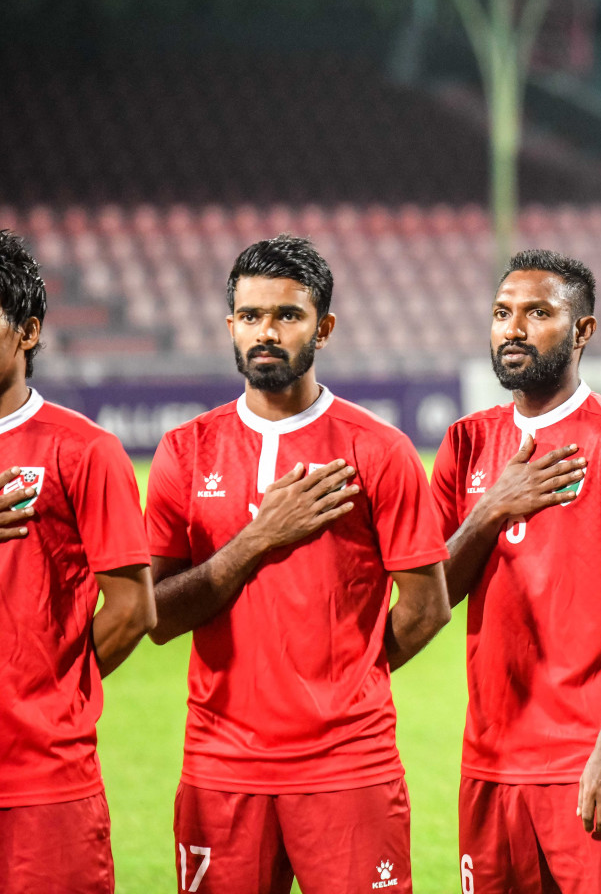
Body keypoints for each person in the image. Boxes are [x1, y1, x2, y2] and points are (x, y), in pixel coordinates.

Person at [145, 234, 451, 894]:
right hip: (220, 765)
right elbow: (157, 617)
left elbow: (428, 607)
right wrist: (256, 541)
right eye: (251, 316)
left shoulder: (380, 451)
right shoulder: (185, 451)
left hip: (349, 765)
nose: (267, 331)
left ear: (324, 327)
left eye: (288, 315)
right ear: (230, 326)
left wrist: (346, 684)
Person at [432, 249, 601, 894]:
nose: (513, 328)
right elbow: (433, 597)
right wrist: (488, 512)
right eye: (501, 313)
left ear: (583, 330)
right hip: (491, 762)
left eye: (538, 313)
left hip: (589, 759)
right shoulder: (464, 442)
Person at [0, 229, 157, 894]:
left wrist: (49, 696)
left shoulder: (83, 452)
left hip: (44, 782)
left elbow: (131, 609)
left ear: (28, 331)